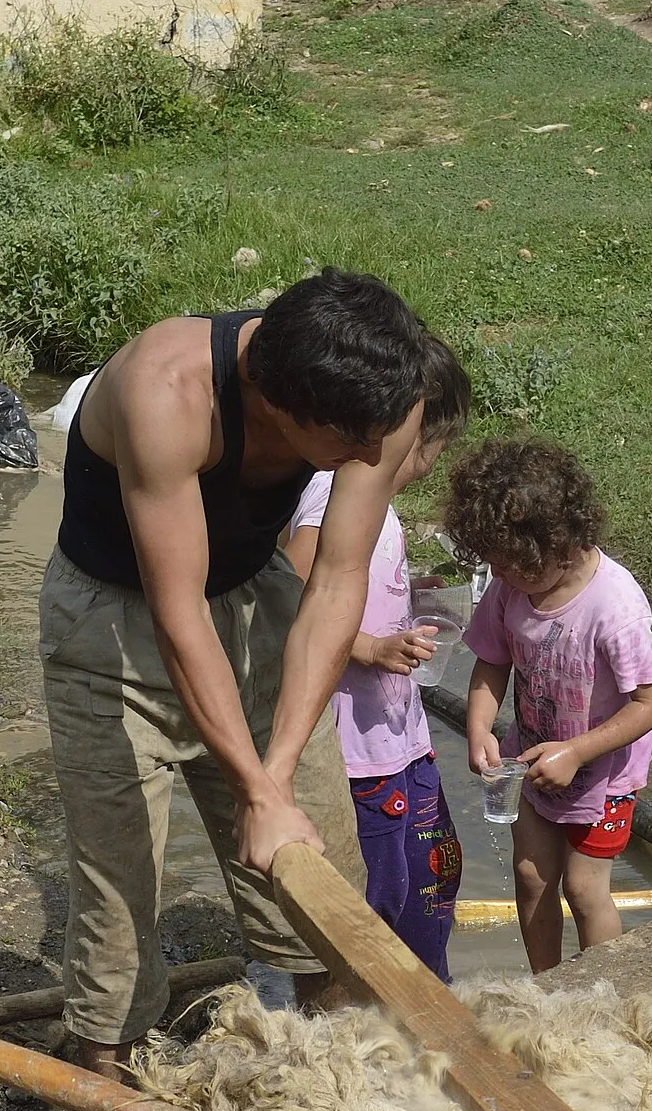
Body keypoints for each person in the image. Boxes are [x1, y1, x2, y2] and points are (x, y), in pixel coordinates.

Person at [39, 267, 438, 1066]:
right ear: (276, 402)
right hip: (112, 625)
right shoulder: (166, 392)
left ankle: (334, 1095)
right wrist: (255, 790)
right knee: (118, 914)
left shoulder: (383, 396)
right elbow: (176, 612)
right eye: (349, 443)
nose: (371, 456)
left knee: (322, 892)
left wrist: (279, 775)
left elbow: (335, 578)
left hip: (257, 594)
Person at [283, 339, 471, 978]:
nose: (426, 468)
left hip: (401, 742)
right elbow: (294, 594)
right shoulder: (329, 491)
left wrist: (404, 597)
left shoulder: (374, 508)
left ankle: (427, 996)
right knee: (384, 897)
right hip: (359, 754)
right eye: (433, 453)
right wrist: (372, 646)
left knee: (436, 873)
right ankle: (399, 1010)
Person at [448, 437, 652, 974]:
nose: (498, 577)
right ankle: (547, 986)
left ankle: (606, 991)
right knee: (530, 875)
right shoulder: (510, 588)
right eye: (492, 565)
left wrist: (575, 750)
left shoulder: (613, 609)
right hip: (533, 764)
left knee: (584, 887)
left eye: (508, 566)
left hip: (604, 775)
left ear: (559, 548)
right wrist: (479, 726)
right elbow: (492, 662)